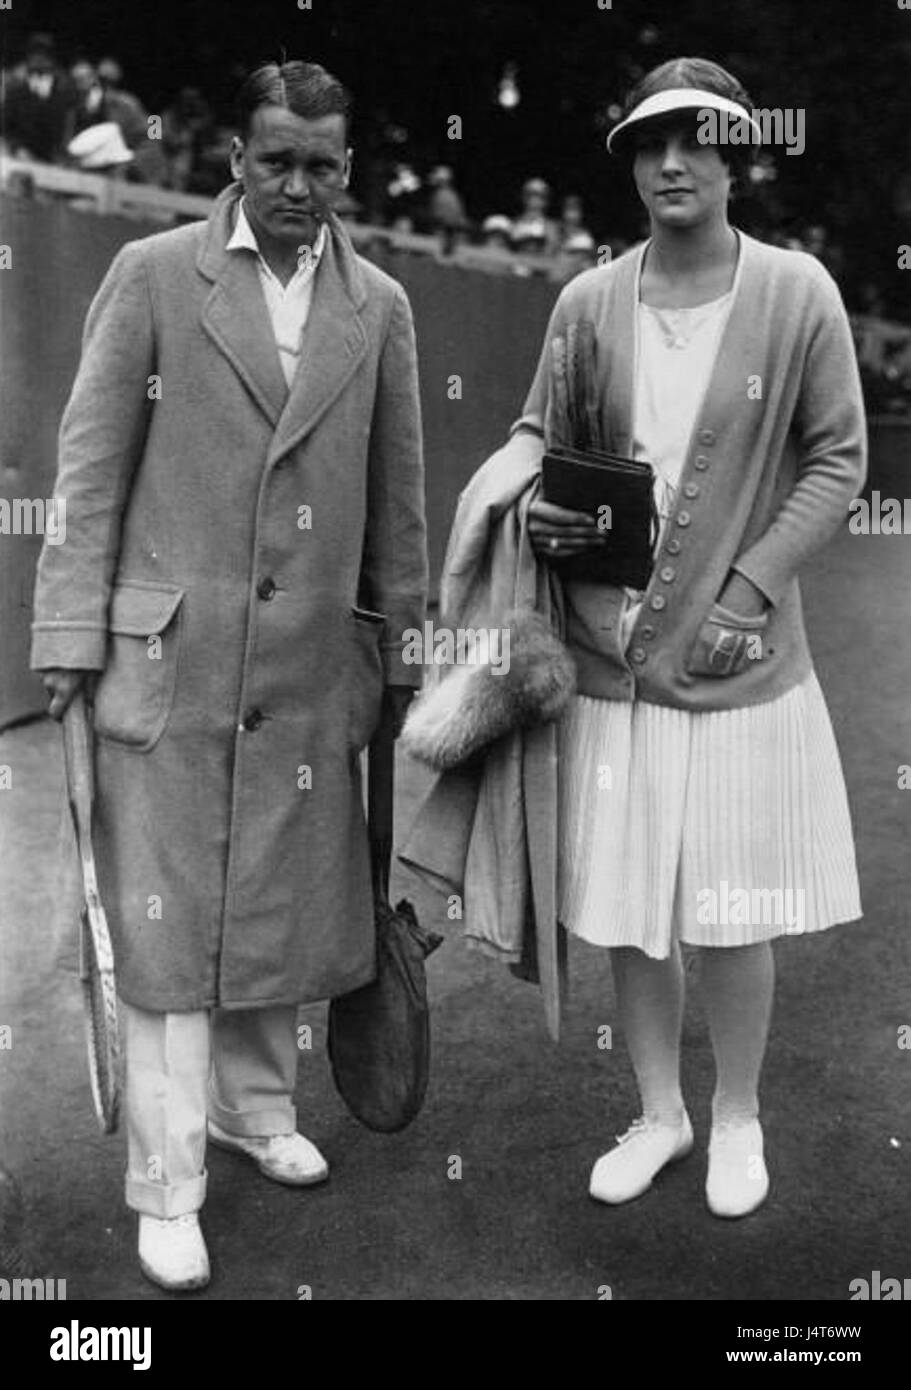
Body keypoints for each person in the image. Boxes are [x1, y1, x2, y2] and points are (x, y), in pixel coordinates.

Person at [409, 56, 864, 1221]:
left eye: (693, 140)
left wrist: (748, 593)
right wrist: (537, 509)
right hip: (605, 661)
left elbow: (836, 461)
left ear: (732, 154)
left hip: (736, 663)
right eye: (648, 145)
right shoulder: (585, 302)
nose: (670, 163)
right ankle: (659, 1112)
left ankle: (736, 1114)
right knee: (629, 910)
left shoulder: (796, 291)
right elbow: (535, 435)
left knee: (730, 909)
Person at [31, 59, 427, 1291]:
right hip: (169, 663)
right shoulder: (152, 275)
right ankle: (166, 1186)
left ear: (346, 170)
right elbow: (88, 465)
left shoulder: (382, 307)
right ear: (237, 160)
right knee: (163, 935)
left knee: (277, 906)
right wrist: (67, 632)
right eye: (277, 161)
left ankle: (254, 1113)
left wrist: (402, 644)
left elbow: (399, 497)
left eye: (321, 165)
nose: (297, 186)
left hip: (312, 670)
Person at [1, 33, 75, 163]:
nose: (39, 59)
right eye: (34, 54)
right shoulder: (16, 89)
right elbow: (6, 126)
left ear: (52, 59)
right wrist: (17, 148)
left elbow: (67, 126)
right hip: (20, 156)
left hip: (54, 159)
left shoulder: (64, 90)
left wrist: (61, 155)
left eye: (44, 54)